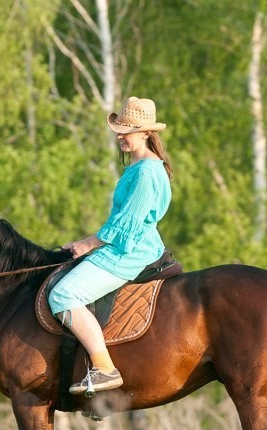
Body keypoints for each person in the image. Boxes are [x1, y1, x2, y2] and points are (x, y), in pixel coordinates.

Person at [49, 96, 173, 394]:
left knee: (63, 295)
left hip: (129, 252)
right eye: (119, 129)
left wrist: (88, 244)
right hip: (127, 245)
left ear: (146, 133)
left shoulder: (146, 172)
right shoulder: (140, 167)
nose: (120, 135)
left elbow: (128, 223)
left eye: (127, 130)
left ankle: (105, 368)